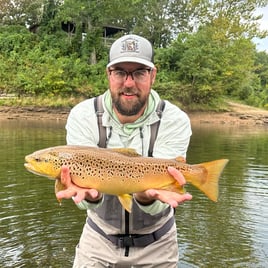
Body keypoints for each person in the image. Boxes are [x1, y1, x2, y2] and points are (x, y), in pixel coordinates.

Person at [56, 34, 193, 268]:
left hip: (158, 244)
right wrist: (93, 196)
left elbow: (163, 199)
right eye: (120, 72)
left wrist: (143, 195)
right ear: (109, 75)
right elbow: (81, 196)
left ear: (153, 75)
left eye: (139, 72)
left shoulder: (174, 120)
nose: (129, 83)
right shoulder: (83, 116)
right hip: (98, 241)